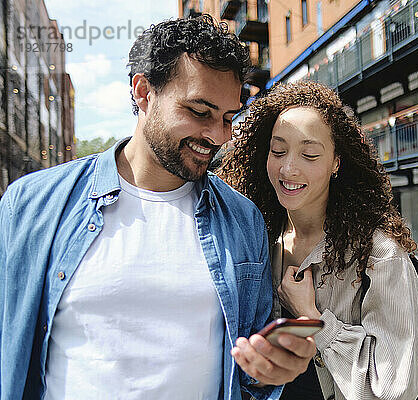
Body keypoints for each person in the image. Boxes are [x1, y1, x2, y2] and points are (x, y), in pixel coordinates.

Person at [0, 16, 316, 400]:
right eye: (199, 112)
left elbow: (252, 377)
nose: (218, 135)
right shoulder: (32, 205)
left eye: (229, 118)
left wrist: (273, 370)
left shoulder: (242, 219)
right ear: (143, 92)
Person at [219, 81, 418, 400]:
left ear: (336, 162)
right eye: (278, 151)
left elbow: (394, 392)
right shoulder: (260, 244)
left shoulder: (379, 254)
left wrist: (315, 320)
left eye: (310, 154)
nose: (288, 168)